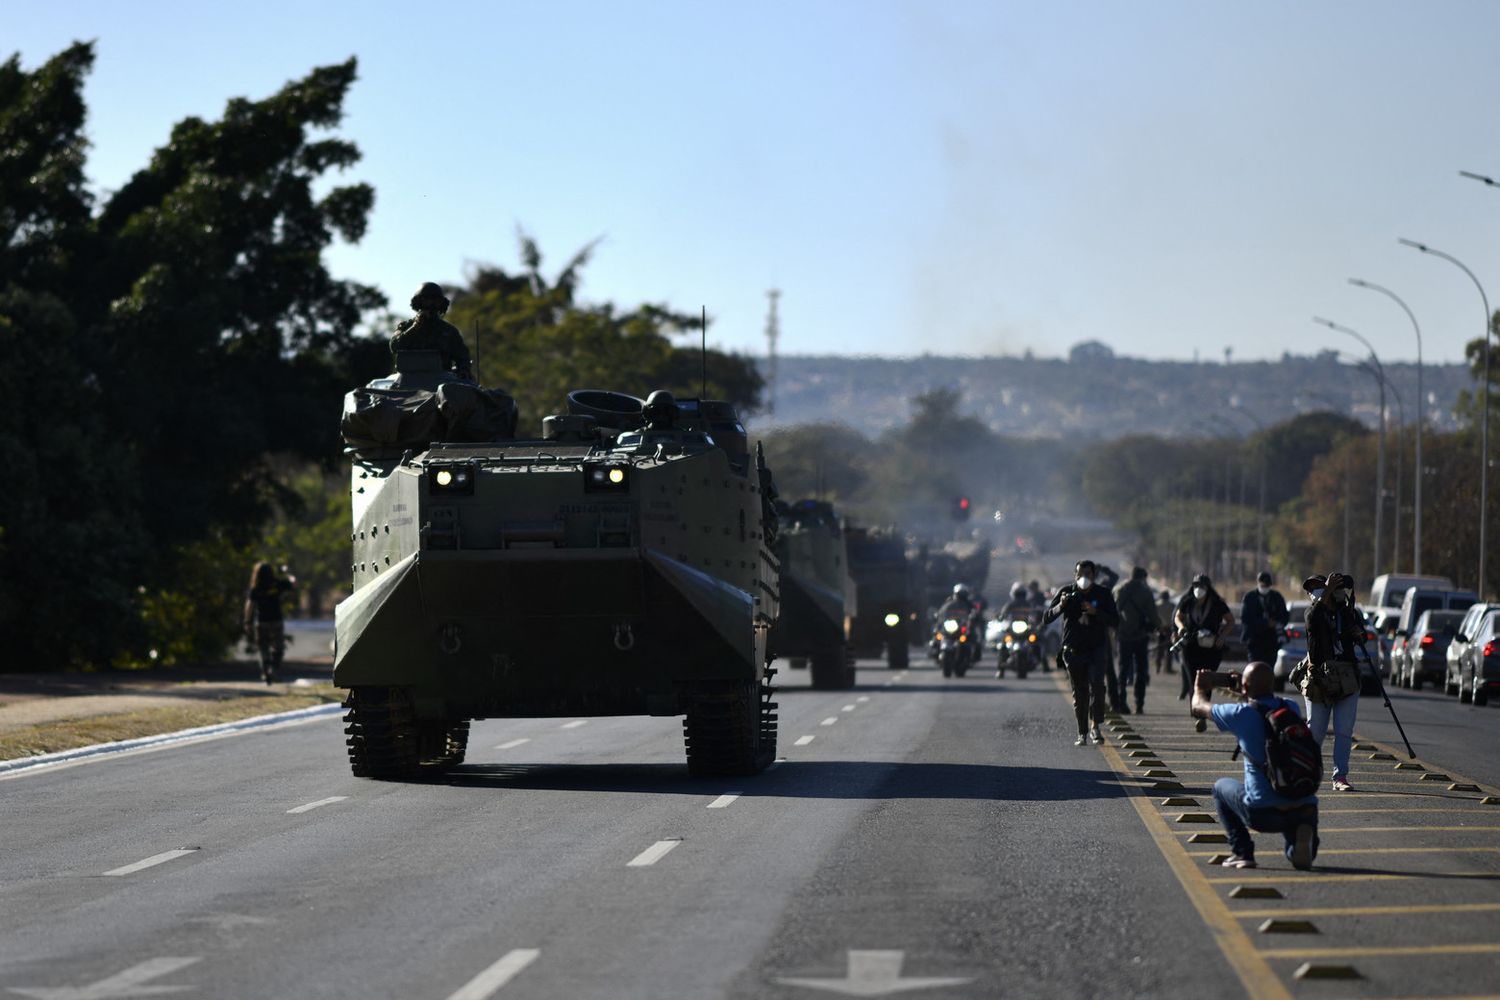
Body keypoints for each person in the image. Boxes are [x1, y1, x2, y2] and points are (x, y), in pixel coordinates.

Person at [1191, 661, 1319, 870]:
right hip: (1304, 804)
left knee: (1220, 787)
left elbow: (1198, 707)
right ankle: (1299, 842)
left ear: (1245, 687)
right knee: (1296, 848)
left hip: (1263, 812)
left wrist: (1200, 688)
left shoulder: (1240, 714)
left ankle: (1243, 853)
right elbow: (1262, 700)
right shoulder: (1291, 707)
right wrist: (1248, 688)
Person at [1293, 572, 1365, 792]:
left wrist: (1355, 625)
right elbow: (1313, 621)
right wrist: (1326, 592)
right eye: (1312, 589)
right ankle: (1306, 773)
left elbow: (1361, 636)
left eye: (1320, 587)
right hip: (1319, 679)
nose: (1314, 592)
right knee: (1316, 730)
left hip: (1346, 676)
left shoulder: (1346, 612)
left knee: (1344, 730)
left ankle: (1340, 776)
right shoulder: (1312, 613)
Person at [1043, 560, 1120, 746]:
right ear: (1074, 575)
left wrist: (1096, 612)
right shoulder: (1066, 592)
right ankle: (1081, 732)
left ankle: (1095, 727)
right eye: (1079, 574)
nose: (1083, 578)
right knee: (1080, 692)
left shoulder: (1103, 594)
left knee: (1098, 687)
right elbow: (1047, 618)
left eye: (1087, 574)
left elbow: (1115, 621)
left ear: (1094, 576)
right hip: (1073, 650)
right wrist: (1060, 606)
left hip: (1096, 648)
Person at [1175, 573, 1235, 730]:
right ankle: (1197, 714)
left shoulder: (1217, 603)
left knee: (1207, 679)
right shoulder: (1187, 601)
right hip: (1191, 647)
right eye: (1195, 586)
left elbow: (1230, 620)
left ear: (1208, 588)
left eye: (1201, 586)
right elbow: (1178, 617)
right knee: (1193, 679)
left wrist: (1222, 636)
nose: (1198, 589)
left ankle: (1202, 711)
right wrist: (1181, 628)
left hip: (1211, 648)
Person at [390, 282, 474, 379]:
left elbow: (462, 356)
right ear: (418, 302)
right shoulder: (405, 327)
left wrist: (463, 370)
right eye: (426, 300)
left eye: (435, 300)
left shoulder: (449, 331)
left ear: (441, 304)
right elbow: (394, 346)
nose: (430, 304)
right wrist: (414, 328)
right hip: (406, 380)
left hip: (441, 380)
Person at [1114, 566, 1161, 715]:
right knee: (1141, 671)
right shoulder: (1145, 592)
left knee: (1122, 670)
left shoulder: (1119, 590)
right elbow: (1153, 615)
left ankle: (1121, 702)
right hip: (1140, 636)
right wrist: (1160, 627)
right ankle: (1139, 704)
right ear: (1142, 578)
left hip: (1122, 636)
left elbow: (1113, 612)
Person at [243, 562, 297, 685]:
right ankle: (273, 669)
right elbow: (293, 583)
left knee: (263, 647)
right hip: (276, 620)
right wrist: (287, 572)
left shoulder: (255, 588)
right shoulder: (277, 584)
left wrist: (247, 621)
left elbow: (249, 605)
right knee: (278, 647)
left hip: (261, 622)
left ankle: (265, 671)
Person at [1241, 571, 1290, 668]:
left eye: (1267, 585)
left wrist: (1276, 623)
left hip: (1271, 641)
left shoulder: (1277, 597)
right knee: (1255, 669)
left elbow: (1284, 616)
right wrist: (1265, 623)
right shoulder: (1250, 598)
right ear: (1258, 583)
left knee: (1269, 669)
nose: (1265, 588)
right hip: (1254, 641)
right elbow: (1246, 619)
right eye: (1263, 585)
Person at [1154, 588, 1177, 674]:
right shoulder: (1172, 605)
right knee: (1169, 650)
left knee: (1159, 650)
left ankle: (1158, 666)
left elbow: (1155, 617)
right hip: (1169, 629)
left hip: (1160, 629)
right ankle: (1168, 668)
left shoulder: (1157, 605)